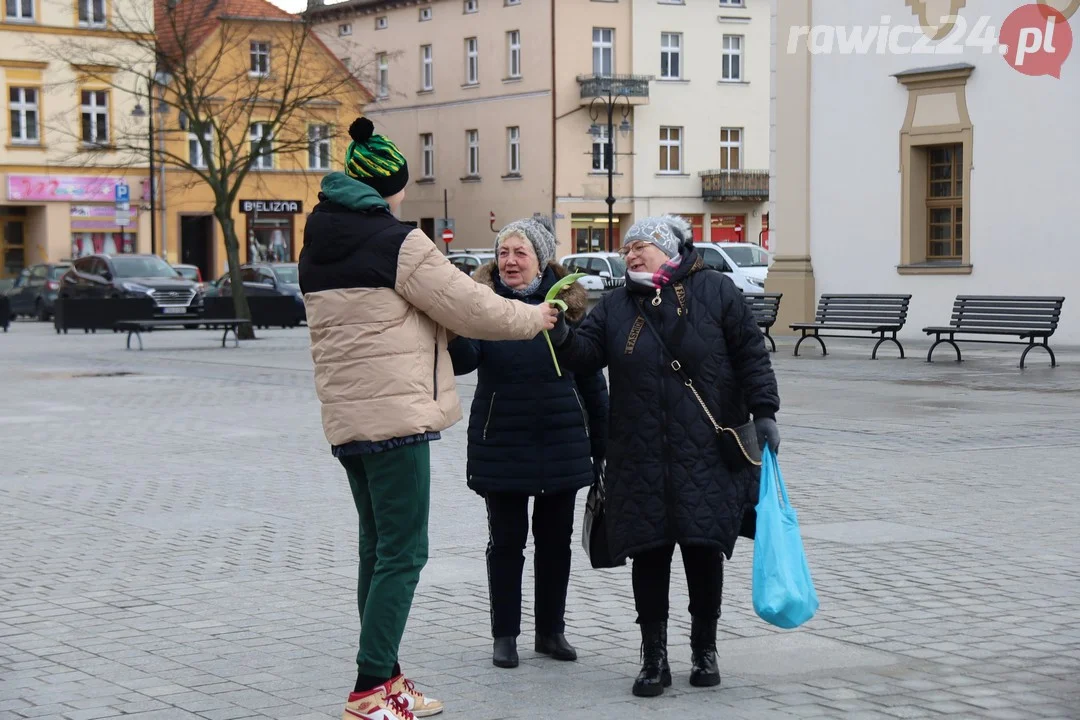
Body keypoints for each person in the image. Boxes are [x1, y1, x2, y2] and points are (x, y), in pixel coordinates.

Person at [299, 117, 560, 720]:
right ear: (387, 186)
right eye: (400, 188)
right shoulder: (397, 242)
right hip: (396, 416)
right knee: (405, 553)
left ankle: (387, 679)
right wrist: (536, 318)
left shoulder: (317, 243)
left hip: (348, 417)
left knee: (378, 547)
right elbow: (471, 307)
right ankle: (370, 688)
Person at [548, 215, 780, 698]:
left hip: (706, 450)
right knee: (648, 553)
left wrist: (765, 411)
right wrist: (563, 335)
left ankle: (704, 649)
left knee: (703, 548)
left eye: (642, 246)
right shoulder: (614, 305)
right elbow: (587, 354)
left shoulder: (715, 290)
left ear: (669, 248)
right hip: (638, 452)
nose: (631, 254)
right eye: (627, 248)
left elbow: (750, 352)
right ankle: (653, 657)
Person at [447, 216, 609, 670]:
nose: (510, 261)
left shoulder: (567, 310)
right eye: (503, 253)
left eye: (520, 253)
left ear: (540, 259)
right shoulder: (484, 307)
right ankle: (505, 636)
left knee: (555, 544)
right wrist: (456, 326)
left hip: (561, 444)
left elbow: (593, 383)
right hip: (502, 444)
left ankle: (550, 631)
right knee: (506, 544)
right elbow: (463, 362)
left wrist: (604, 448)